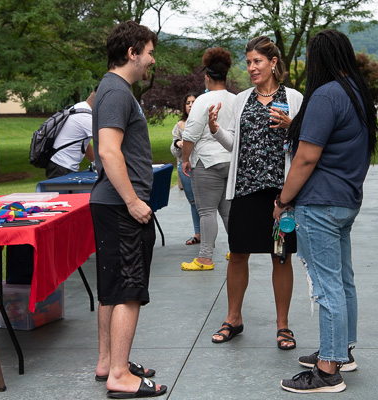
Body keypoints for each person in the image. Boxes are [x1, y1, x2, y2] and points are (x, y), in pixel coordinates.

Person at [275, 29, 378, 393]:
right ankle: (341, 352)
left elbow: (306, 158)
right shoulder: (358, 93)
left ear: (319, 59)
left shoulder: (326, 94)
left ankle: (327, 371)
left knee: (326, 286)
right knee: (343, 280)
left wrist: (283, 199)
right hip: (347, 201)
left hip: (319, 203)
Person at [208, 36, 303, 348]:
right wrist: (216, 132)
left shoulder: (295, 99)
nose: (251, 68)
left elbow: (305, 147)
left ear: (273, 63)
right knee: (237, 254)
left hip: (280, 195)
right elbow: (236, 146)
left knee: (281, 256)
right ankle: (233, 318)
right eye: (248, 62)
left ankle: (283, 326)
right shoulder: (241, 100)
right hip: (246, 190)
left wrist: (291, 125)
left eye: (257, 61)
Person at [89, 20, 167, 399]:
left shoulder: (108, 89)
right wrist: (134, 201)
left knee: (112, 288)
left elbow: (100, 150)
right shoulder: (118, 92)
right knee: (129, 290)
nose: (152, 60)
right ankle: (119, 374)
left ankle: (108, 362)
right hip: (122, 207)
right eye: (149, 52)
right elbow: (106, 150)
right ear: (132, 53)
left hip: (109, 203)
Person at [180, 47, 237, 271]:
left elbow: (190, 135)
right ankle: (237, 250)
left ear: (206, 76)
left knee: (206, 211)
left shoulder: (202, 101)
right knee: (227, 210)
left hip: (206, 162)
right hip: (231, 161)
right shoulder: (237, 99)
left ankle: (204, 258)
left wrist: (186, 159)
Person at [170, 92, 201, 245]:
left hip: (202, 166)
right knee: (193, 202)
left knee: (206, 204)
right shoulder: (179, 126)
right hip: (185, 168)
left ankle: (209, 235)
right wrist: (178, 144)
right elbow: (174, 149)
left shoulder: (203, 121)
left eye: (194, 102)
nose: (190, 105)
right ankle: (198, 234)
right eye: (188, 103)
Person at [45, 89, 96, 179]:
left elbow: (84, 143)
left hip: (58, 164)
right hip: (61, 167)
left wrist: (95, 163)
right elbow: (106, 142)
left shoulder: (77, 108)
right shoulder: (86, 117)